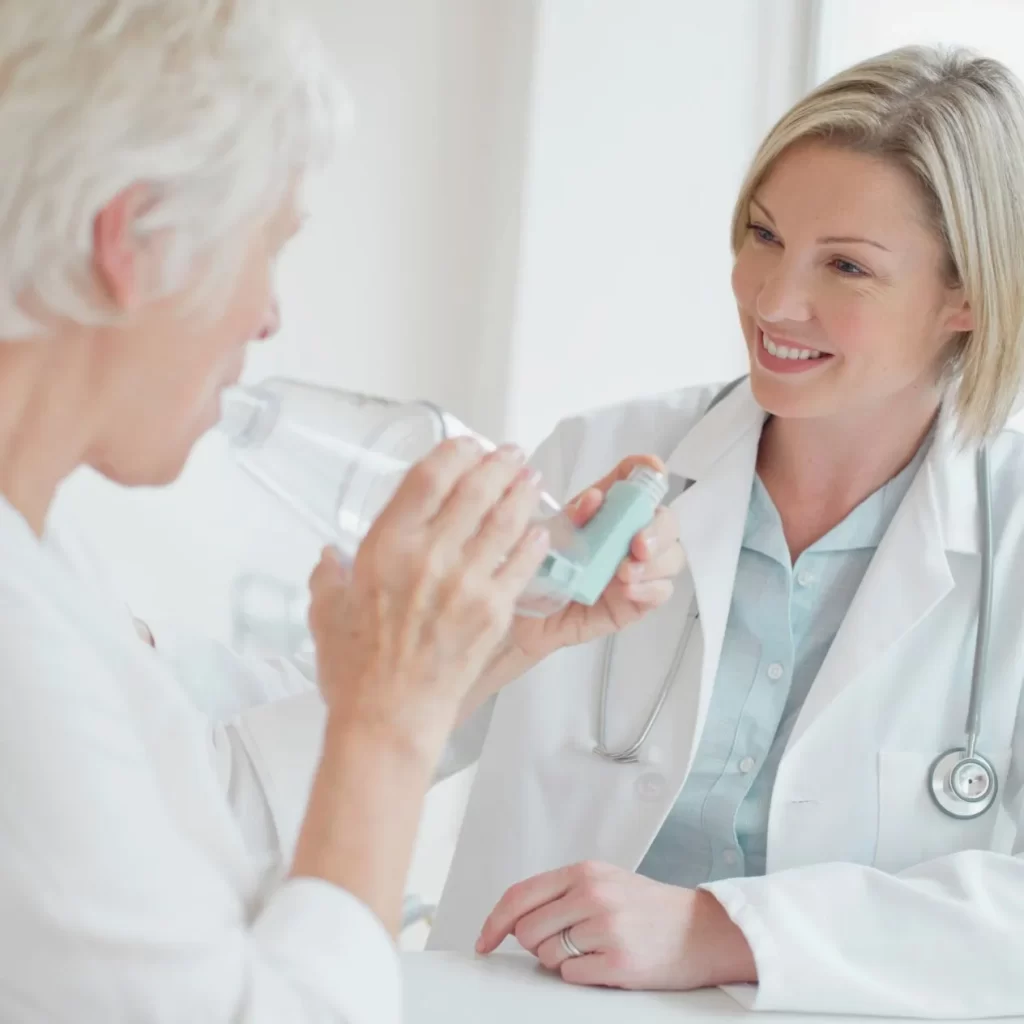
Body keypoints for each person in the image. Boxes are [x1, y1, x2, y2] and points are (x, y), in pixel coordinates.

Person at [0, 2, 685, 1021]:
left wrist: (482, 647)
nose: (267, 313)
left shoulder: (46, 564)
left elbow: (193, 796)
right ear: (131, 240)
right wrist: (387, 724)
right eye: (265, 246)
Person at [426, 45, 1024, 1018]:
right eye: (762, 235)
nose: (772, 300)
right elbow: (400, 700)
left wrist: (723, 929)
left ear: (965, 297)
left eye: (846, 266)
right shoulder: (603, 459)